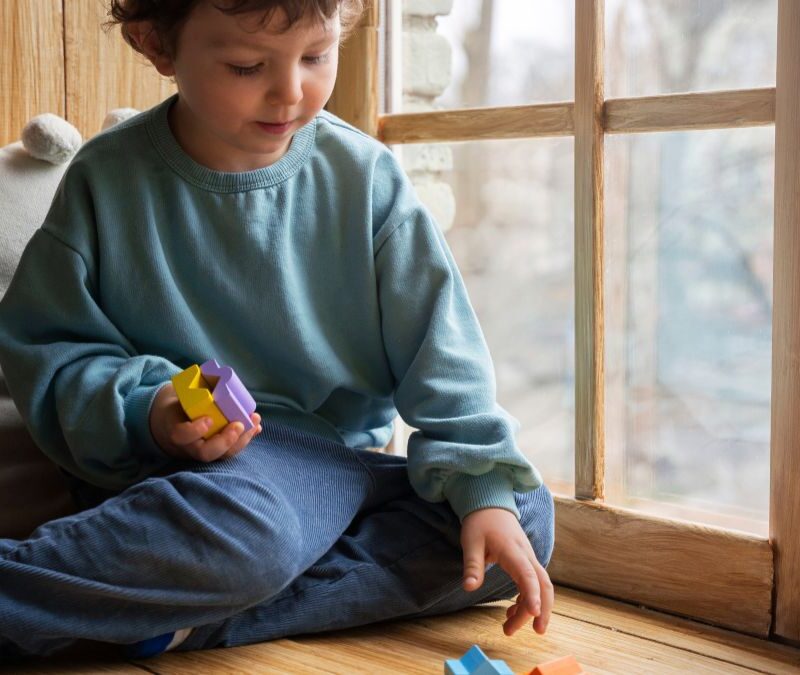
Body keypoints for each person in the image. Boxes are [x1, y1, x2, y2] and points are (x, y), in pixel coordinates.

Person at [0, 0, 555, 660]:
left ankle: (179, 619)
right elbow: (51, 353)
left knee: (522, 517)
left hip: (342, 470)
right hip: (184, 480)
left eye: (317, 57)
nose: (292, 91)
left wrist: (479, 487)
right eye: (246, 65)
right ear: (156, 44)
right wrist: (150, 408)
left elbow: (445, 355)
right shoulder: (105, 180)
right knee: (249, 534)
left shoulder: (368, 179)